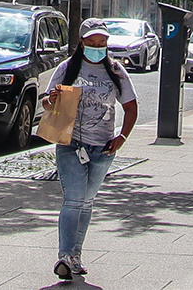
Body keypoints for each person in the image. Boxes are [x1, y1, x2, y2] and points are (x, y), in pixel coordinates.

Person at [41, 18, 138, 280]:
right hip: (71, 144)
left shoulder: (116, 71)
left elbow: (130, 106)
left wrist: (122, 138)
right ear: (81, 43)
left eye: (102, 43)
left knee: (87, 201)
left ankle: (76, 255)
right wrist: (50, 100)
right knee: (73, 199)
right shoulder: (67, 68)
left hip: (103, 148)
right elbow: (47, 102)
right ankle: (64, 255)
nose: (97, 47)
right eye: (92, 42)